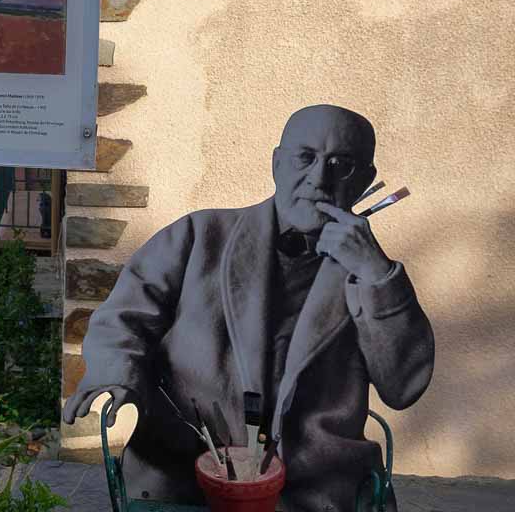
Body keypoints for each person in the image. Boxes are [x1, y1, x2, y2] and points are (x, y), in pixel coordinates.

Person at [62, 105, 434, 512]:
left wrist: (377, 274)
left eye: (340, 165)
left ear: (364, 179)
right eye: (304, 158)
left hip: (320, 490)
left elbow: (404, 388)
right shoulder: (198, 235)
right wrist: (118, 374)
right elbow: (124, 320)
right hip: (187, 478)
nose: (319, 178)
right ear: (277, 163)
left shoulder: (371, 274)